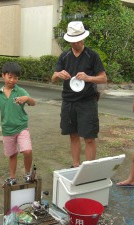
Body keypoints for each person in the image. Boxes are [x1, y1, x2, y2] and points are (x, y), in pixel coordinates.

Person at [51, 21, 107, 167]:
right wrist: (58, 75)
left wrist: (89, 78)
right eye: (72, 41)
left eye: (77, 40)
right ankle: (76, 166)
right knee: (73, 135)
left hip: (87, 102)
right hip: (68, 102)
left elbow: (103, 78)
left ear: (83, 38)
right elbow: (53, 80)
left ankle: (88, 169)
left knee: (89, 138)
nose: (75, 43)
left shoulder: (92, 55)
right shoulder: (64, 56)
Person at [0, 62, 35, 185]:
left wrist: (27, 98)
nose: (12, 80)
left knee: (27, 151)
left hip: (22, 127)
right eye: (10, 77)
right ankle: (12, 177)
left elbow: (33, 103)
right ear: (3, 76)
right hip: (7, 130)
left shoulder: (20, 91)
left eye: (15, 77)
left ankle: (27, 173)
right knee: (12, 154)